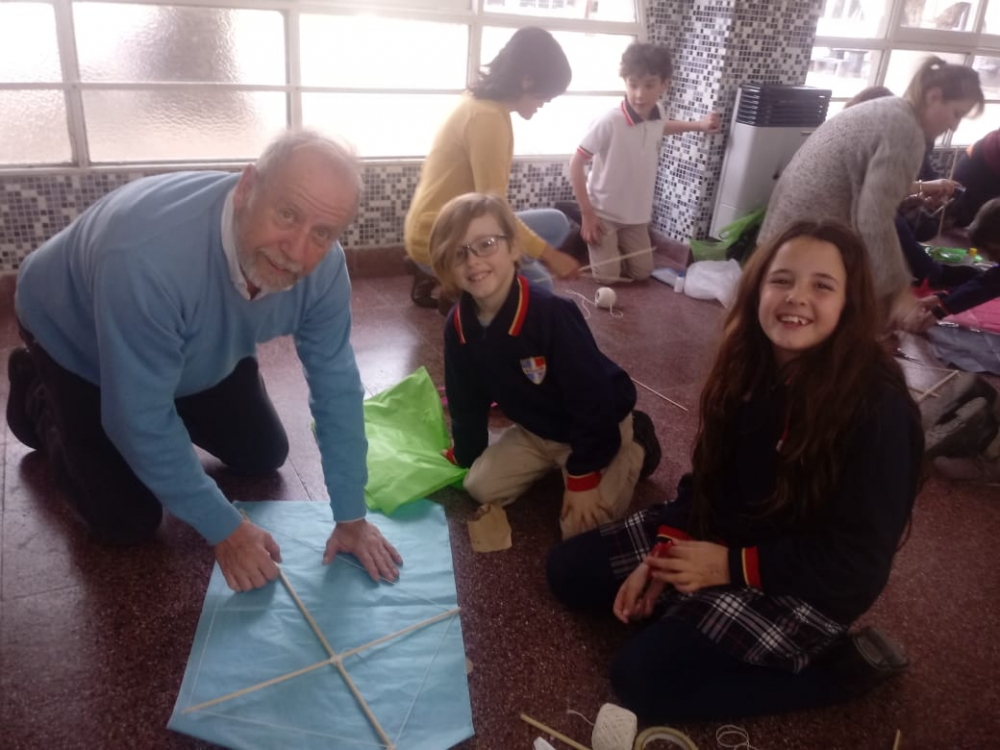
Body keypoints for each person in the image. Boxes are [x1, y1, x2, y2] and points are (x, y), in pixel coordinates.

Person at [546, 220, 924, 721]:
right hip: (728, 537)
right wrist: (666, 552)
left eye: (822, 286)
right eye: (782, 279)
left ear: (850, 303)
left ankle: (835, 672)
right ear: (757, 288)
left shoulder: (879, 409)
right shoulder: (749, 364)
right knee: (567, 572)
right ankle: (695, 613)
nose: (797, 297)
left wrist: (727, 567)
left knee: (641, 681)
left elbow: (856, 562)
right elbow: (708, 477)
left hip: (805, 582)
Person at [6, 129, 402, 593]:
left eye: (321, 233)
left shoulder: (325, 270)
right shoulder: (144, 257)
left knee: (262, 454)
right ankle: (39, 393)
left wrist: (351, 516)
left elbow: (337, 386)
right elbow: (137, 417)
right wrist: (226, 529)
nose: (296, 252)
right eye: (287, 214)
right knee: (125, 521)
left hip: (189, 342)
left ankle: (168, 388)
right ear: (247, 188)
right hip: (75, 336)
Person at [429, 192, 662, 539]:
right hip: (536, 430)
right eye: (459, 253)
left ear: (514, 248)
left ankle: (637, 441)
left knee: (581, 530)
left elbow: (592, 399)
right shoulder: (459, 326)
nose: (473, 261)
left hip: (599, 424)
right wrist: (465, 455)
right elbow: (466, 401)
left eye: (486, 245)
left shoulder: (552, 314)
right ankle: (560, 465)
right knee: (479, 486)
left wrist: (583, 475)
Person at [759, 56, 983, 330]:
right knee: (820, 324)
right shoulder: (906, 131)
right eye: (956, 113)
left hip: (784, 235)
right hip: (804, 240)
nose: (954, 126)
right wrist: (898, 292)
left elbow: (863, 192)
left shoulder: (890, 110)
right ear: (933, 96)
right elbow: (874, 219)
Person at [405, 26, 580, 311]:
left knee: (556, 222)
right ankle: (463, 290)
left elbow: (491, 212)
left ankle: (477, 283)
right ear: (526, 81)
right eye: (544, 96)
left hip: (448, 224)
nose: (545, 103)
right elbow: (495, 212)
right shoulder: (487, 119)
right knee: (539, 287)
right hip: (438, 239)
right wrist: (551, 255)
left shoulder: (482, 103)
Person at [569, 42, 720, 284]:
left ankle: (611, 251)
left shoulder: (657, 112)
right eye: (633, 85)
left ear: (664, 84)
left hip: (636, 217)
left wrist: (699, 125)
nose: (640, 94)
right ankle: (601, 248)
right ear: (625, 82)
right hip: (602, 213)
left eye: (649, 85)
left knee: (642, 273)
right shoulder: (609, 121)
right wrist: (587, 214)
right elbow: (576, 162)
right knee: (608, 278)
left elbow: (662, 127)